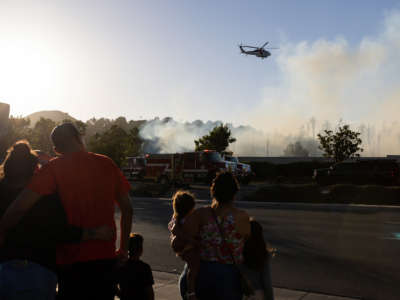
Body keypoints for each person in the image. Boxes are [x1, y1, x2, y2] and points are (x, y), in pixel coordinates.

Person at [0, 123, 133, 300]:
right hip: (105, 259)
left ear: (56, 149)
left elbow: (18, 209)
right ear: (79, 138)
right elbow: (128, 209)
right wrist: (123, 250)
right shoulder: (107, 164)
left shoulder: (52, 169)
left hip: (70, 264)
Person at [180, 172, 251, 300]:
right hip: (230, 278)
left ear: (213, 191)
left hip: (202, 275)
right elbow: (246, 249)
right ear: (234, 193)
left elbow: (181, 241)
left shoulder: (200, 214)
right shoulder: (243, 217)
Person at [168, 190, 200, 299]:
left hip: (183, 247)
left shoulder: (179, 218)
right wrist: (192, 241)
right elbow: (174, 230)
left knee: (192, 267)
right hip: (186, 247)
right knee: (193, 267)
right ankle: (191, 292)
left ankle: (190, 290)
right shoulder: (184, 220)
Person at [239, 220, 274, 300]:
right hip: (258, 293)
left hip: (243, 293)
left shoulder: (239, 253)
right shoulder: (263, 255)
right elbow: (266, 281)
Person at [116, 233, 154, 300]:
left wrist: (122, 295)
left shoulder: (121, 266)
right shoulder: (145, 268)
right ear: (141, 250)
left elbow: (113, 286)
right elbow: (149, 291)